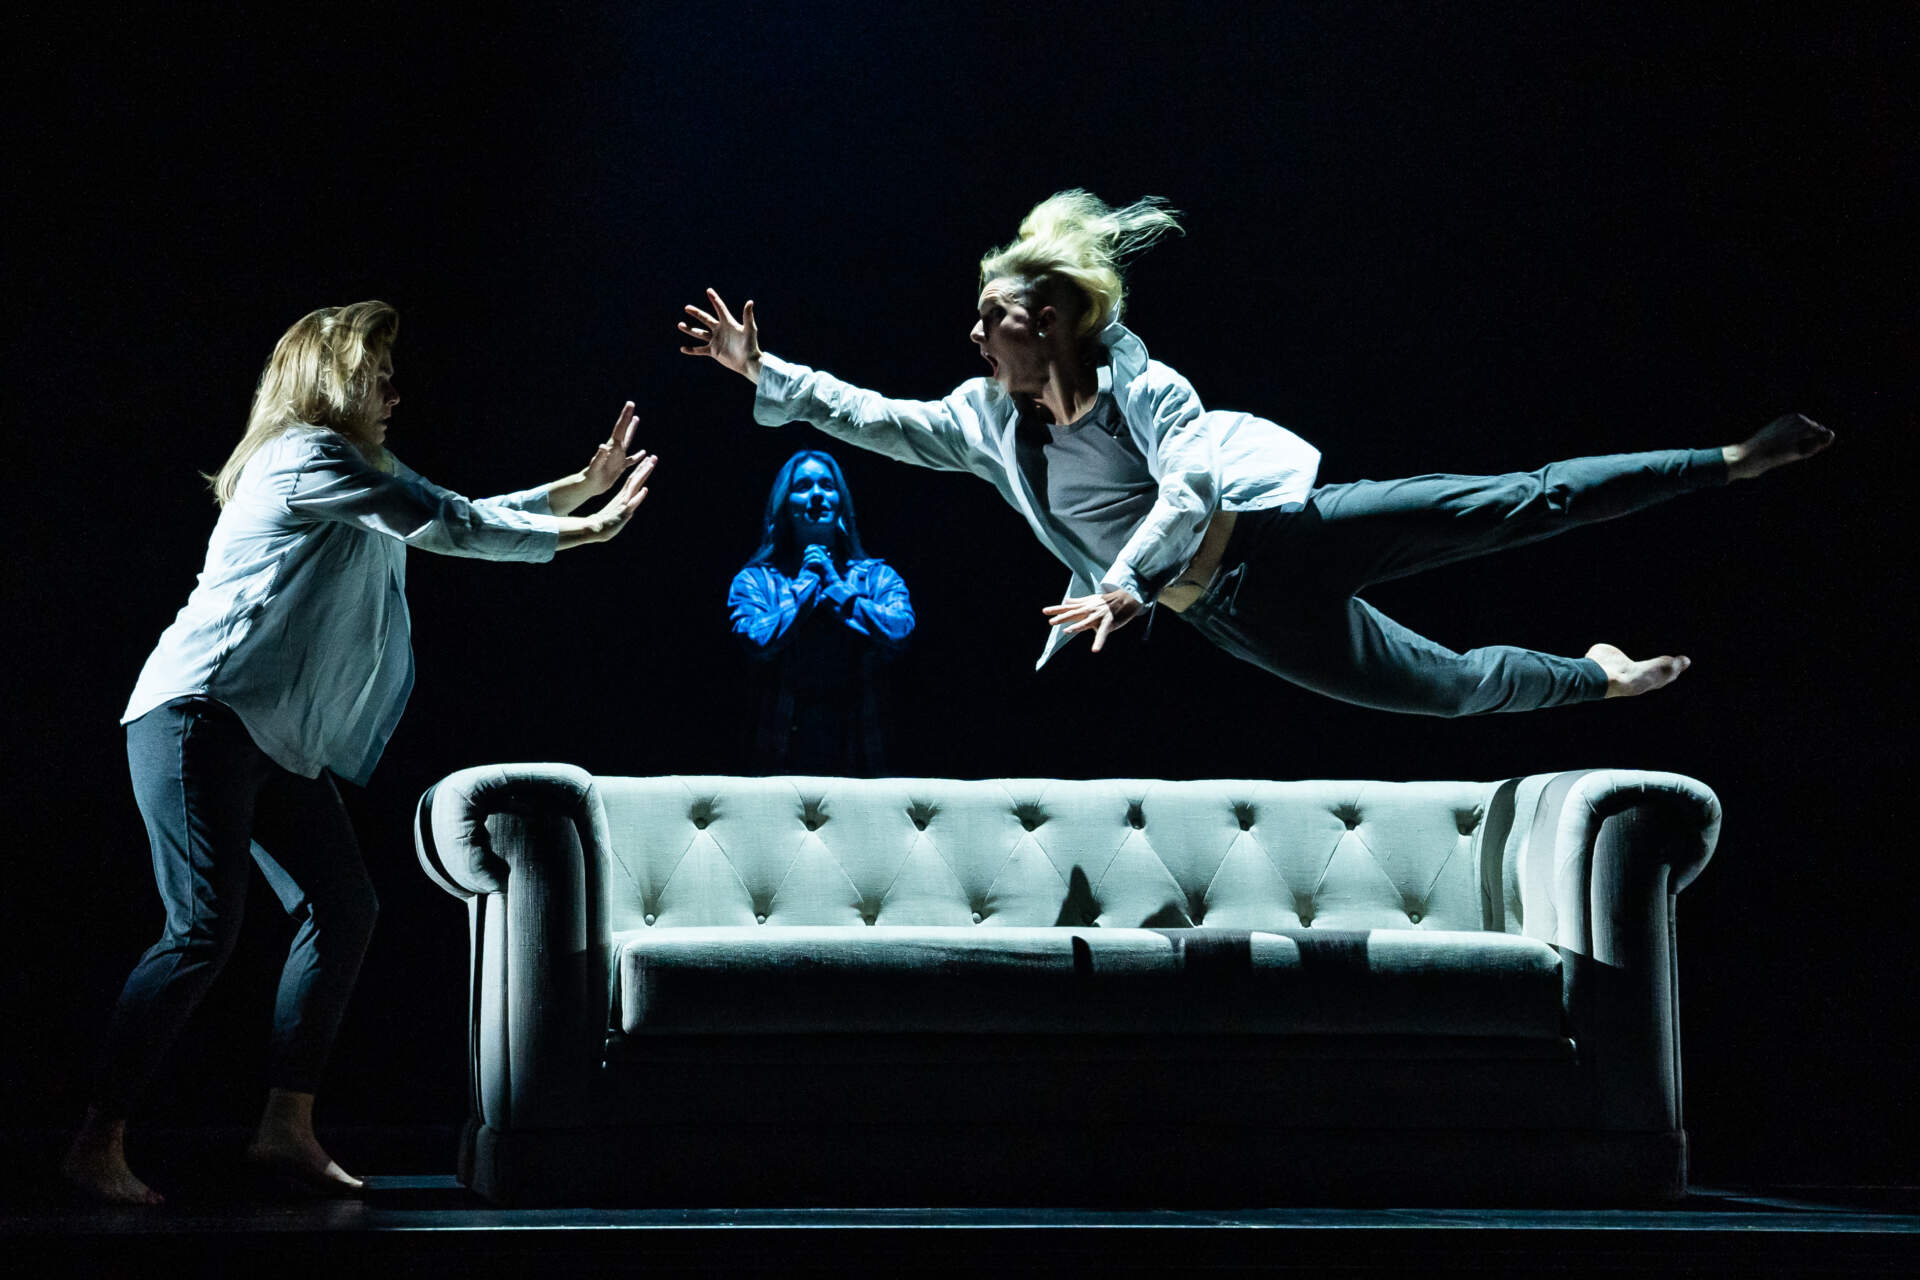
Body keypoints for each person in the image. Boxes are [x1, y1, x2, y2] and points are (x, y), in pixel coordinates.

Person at [679, 191, 1834, 714]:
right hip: (1240, 611)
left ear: (1056, 319)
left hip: (1293, 533)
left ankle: (1726, 459)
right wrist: (762, 375)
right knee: (1445, 689)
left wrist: (1123, 583)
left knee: (1516, 502)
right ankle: (1600, 672)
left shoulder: (1153, 388)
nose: (973, 331)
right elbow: (871, 414)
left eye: (994, 313)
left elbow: (1187, 491)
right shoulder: (985, 425)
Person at [63, 301, 658, 1205]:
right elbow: (445, 524)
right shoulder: (307, 455)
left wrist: (573, 489)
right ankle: (96, 1142)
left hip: (269, 735)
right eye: (376, 370)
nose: (392, 388)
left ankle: (284, 1127)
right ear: (332, 376)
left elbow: (452, 511)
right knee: (200, 931)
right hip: (200, 714)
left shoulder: (354, 465)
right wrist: (581, 534)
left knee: (343, 907)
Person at [728, 449, 914, 774]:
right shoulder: (754, 581)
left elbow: (900, 632)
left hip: (861, 754)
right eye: (802, 487)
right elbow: (756, 640)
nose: (816, 495)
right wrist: (805, 586)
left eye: (827, 485)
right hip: (778, 756)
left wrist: (835, 585)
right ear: (784, 504)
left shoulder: (877, 577)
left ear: (841, 502)